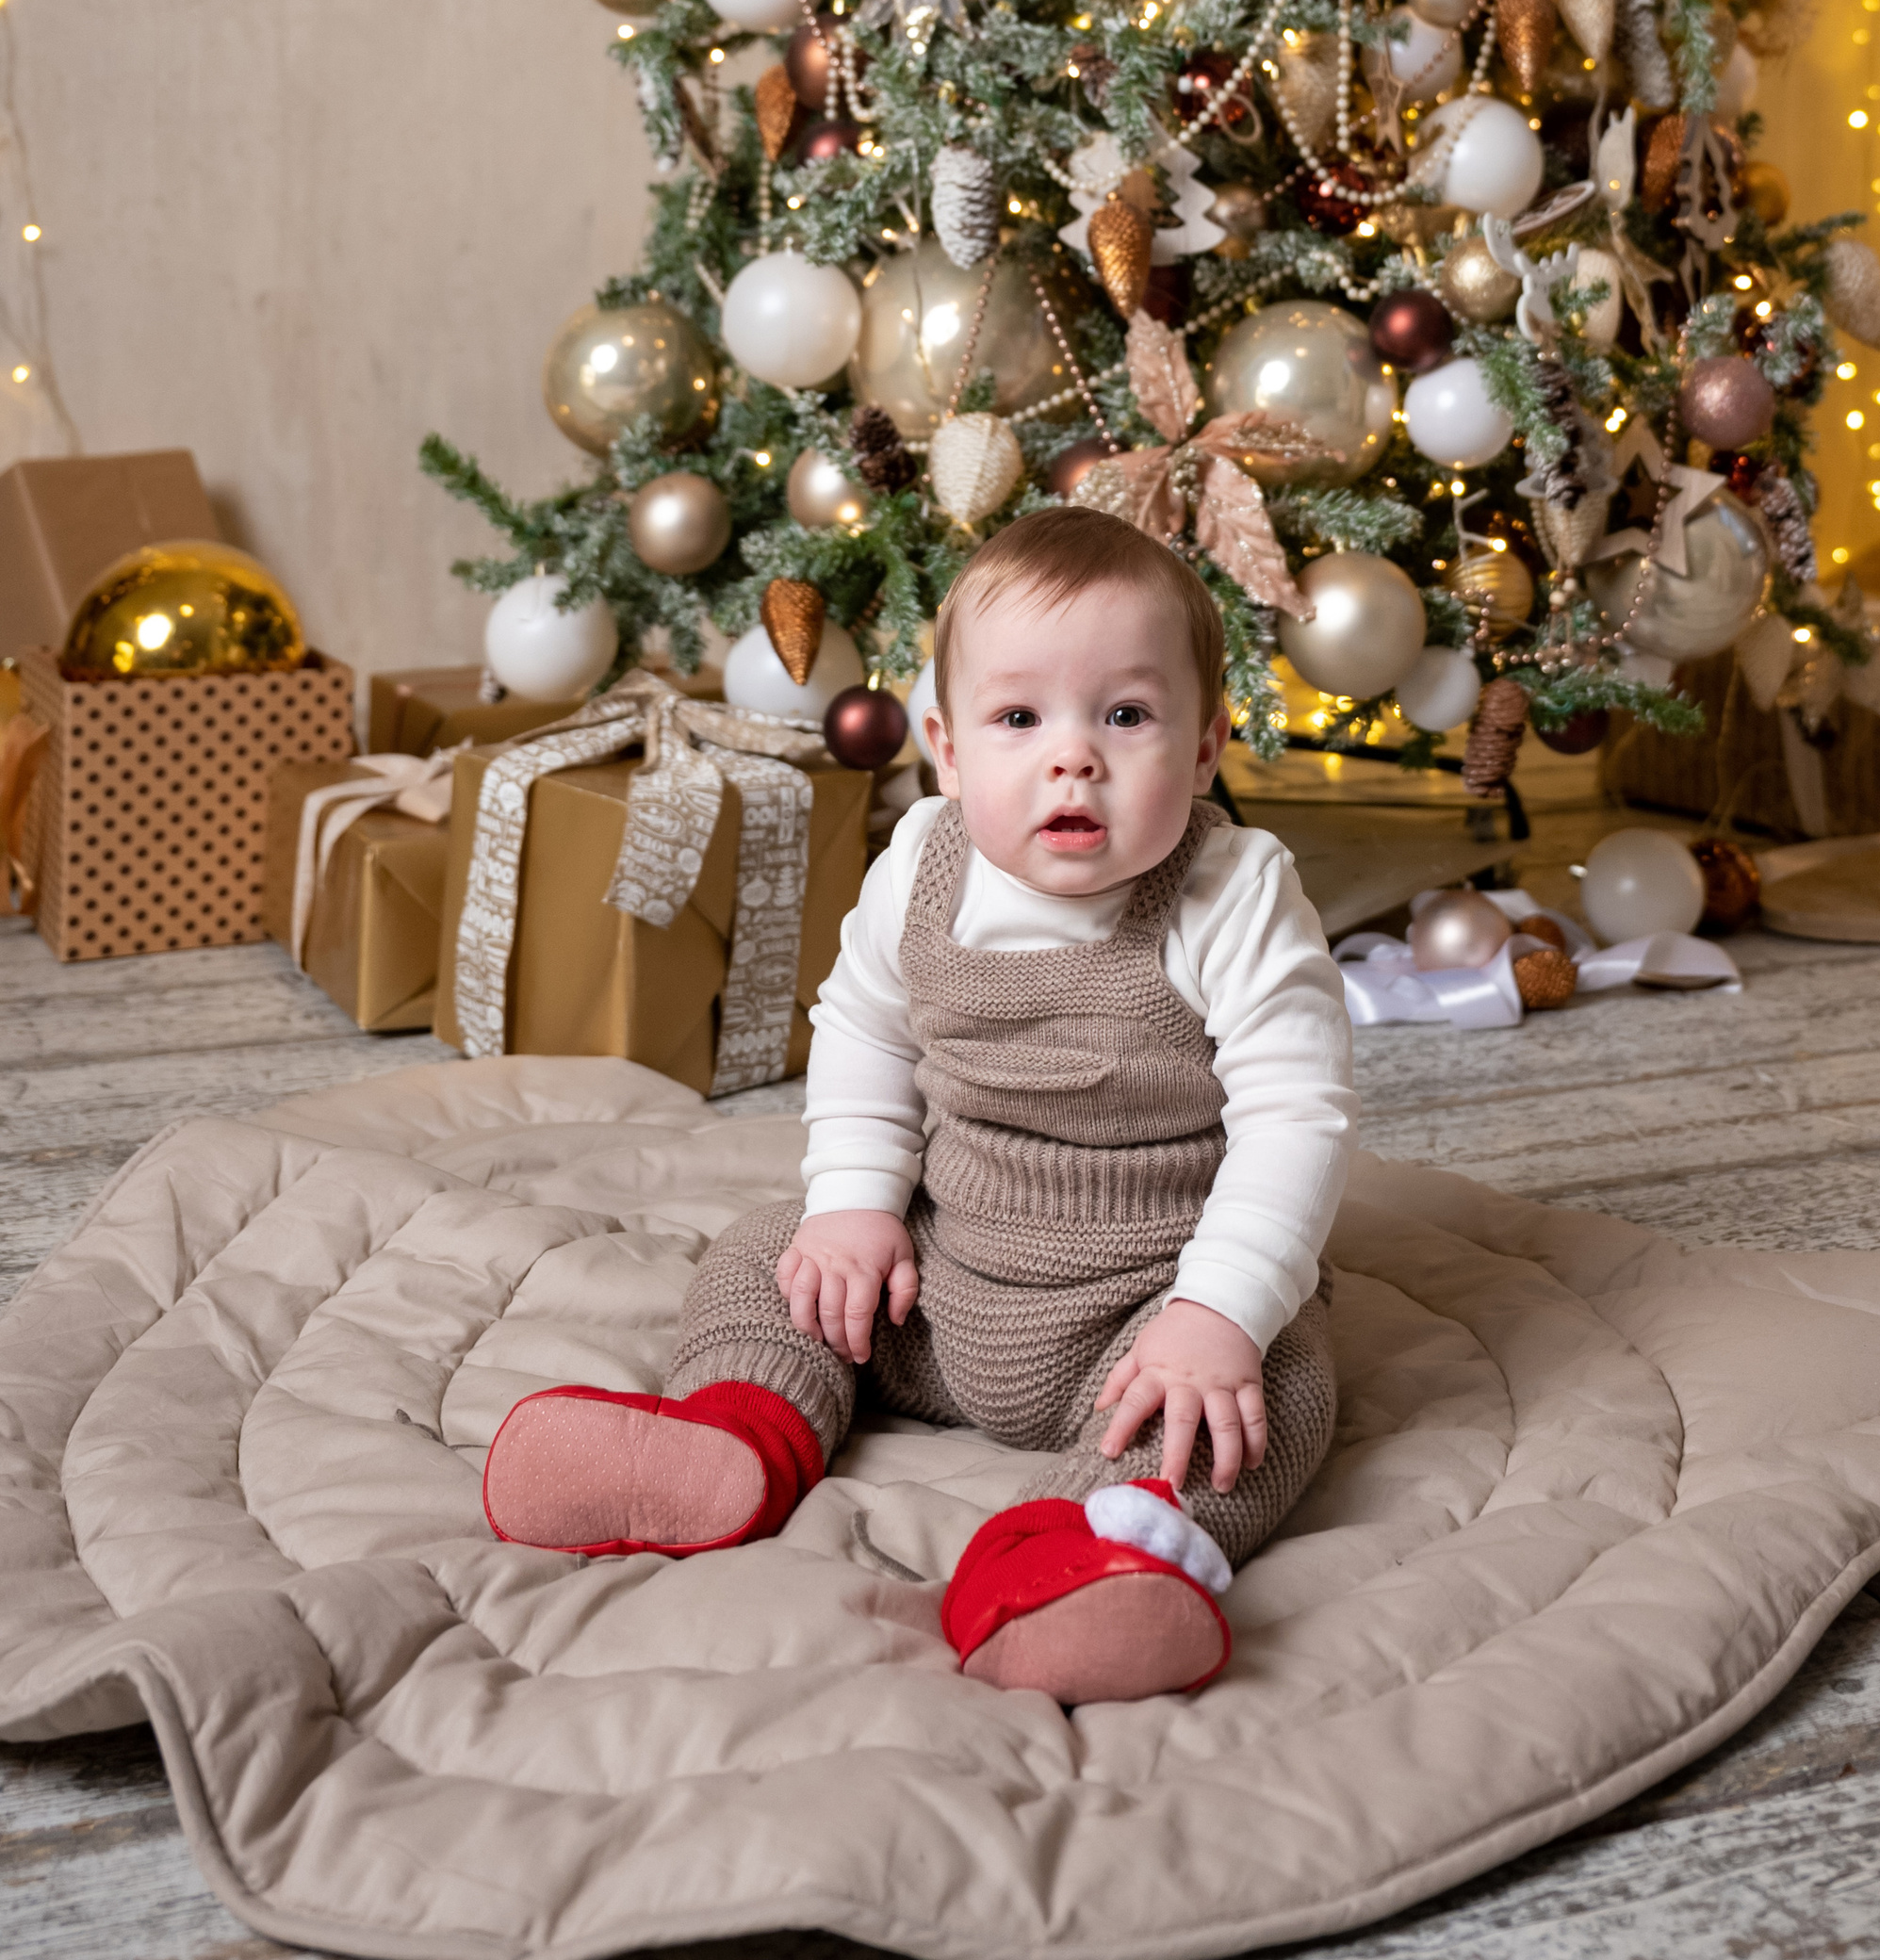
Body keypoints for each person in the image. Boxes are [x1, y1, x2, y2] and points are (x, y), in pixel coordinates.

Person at [481, 505, 1357, 1705]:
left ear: (1204, 750)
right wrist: (853, 1210)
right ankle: (735, 1431)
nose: (1073, 757)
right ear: (944, 749)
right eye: (1018, 718)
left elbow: (1295, 1118)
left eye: (1126, 716)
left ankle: (1100, 1549)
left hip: (1141, 1314)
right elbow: (862, 1032)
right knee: (771, 1256)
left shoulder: (1235, 894)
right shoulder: (921, 863)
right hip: (939, 1283)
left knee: (1271, 1394)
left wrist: (1219, 1311)